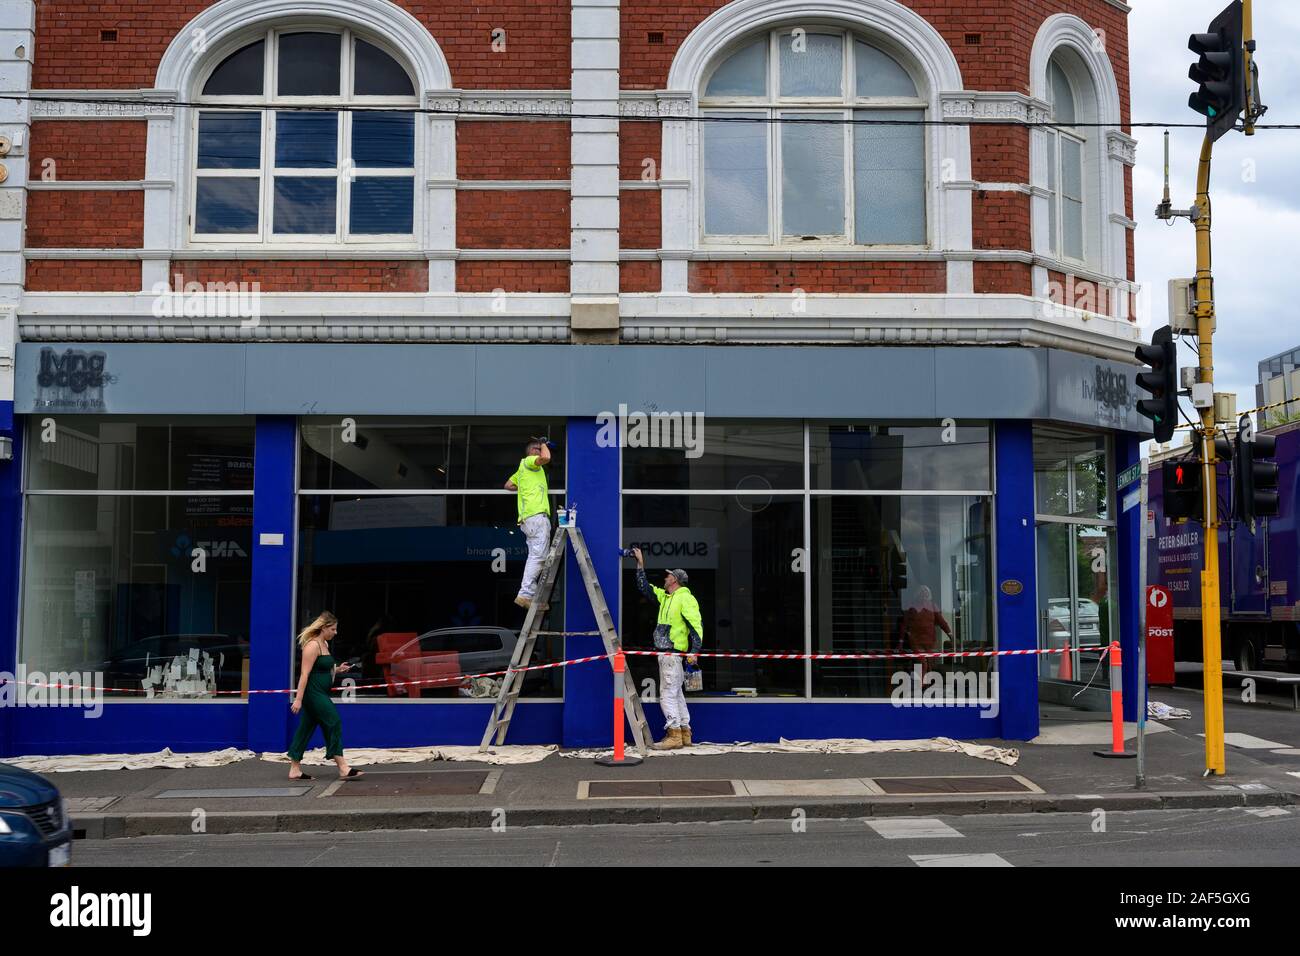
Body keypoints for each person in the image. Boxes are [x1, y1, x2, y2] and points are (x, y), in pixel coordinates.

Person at [631, 548, 703, 750]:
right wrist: (640, 564)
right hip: (668, 655)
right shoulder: (666, 597)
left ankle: (674, 735)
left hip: (672, 653)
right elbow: (644, 587)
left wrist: (694, 651)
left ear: (675, 580)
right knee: (676, 693)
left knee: (667, 693)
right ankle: (685, 732)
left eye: (668, 575)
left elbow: (696, 626)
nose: (665, 577)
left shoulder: (685, 598)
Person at [288, 611, 363, 781]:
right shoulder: (312, 645)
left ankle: (295, 769)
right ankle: (343, 767)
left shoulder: (325, 645)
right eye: (333, 629)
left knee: (305, 728)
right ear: (323, 628)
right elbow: (305, 674)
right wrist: (298, 699)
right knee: (333, 721)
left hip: (320, 692)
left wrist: (337, 669)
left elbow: (322, 669)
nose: (335, 633)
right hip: (312, 693)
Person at [504, 437, 554, 609]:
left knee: (535, 556)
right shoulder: (530, 461)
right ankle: (525, 594)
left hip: (528, 519)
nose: (541, 452)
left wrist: (525, 488)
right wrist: (544, 444)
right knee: (539, 557)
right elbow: (546, 458)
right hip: (536, 516)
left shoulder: (522, 469)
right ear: (534, 451)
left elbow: (508, 485)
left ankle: (529, 594)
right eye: (538, 449)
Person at [897, 586, 953, 675]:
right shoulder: (912, 607)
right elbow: (904, 625)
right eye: (922, 591)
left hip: (930, 641)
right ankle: (921, 686)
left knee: (930, 664)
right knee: (922, 663)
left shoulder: (933, 606)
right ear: (917, 594)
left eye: (926, 591)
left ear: (929, 594)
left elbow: (942, 622)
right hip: (916, 641)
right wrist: (900, 642)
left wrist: (950, 635)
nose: (924, 594)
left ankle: (928, 684)